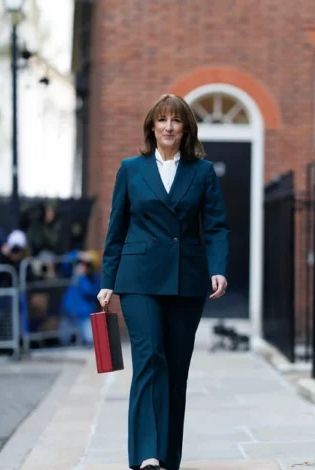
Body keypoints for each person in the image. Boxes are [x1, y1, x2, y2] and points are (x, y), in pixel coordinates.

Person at [97, 94, 230, 470]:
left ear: (185, 127)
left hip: (187, 281)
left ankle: (168, 458)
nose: (169, 127)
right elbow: (116, 228)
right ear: (151, 127)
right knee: (149, 358)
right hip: (138, 279)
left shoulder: (201, 172)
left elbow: (217, 226)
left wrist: (218, 267)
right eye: (162, 120)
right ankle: (146, 455)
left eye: (176, 120)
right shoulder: (130, 169)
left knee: (175, 368)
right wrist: (109, 280)